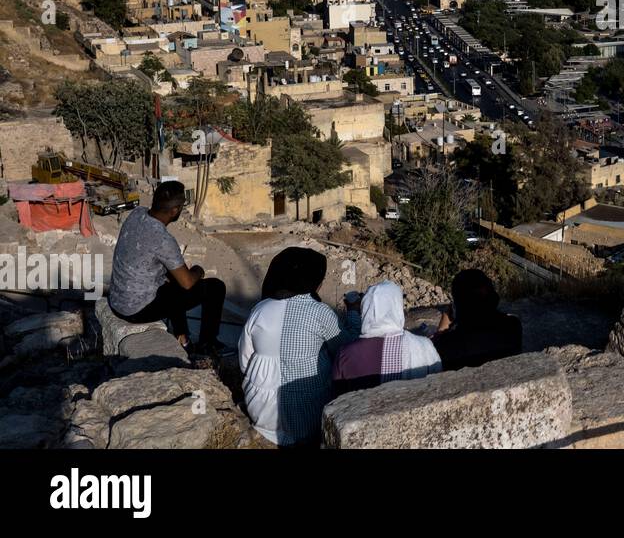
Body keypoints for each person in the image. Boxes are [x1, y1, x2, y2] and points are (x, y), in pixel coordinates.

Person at [239, 247, 361, 447]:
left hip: (261, 414)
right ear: (312, 282)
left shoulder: (259, 310)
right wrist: (354, 312)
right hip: (308, 420)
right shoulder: (320, 312)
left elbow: (245, 362)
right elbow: (347, 349)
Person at [109, 181, 227, 358]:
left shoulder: (136, 214)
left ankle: (182, 337)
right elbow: (187, 282)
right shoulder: (163, 240)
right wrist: (198, 270)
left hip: (117, 299)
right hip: (135, 309)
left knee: (172, 283)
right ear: (175, 211)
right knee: (214, 287)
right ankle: (208, 344)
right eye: (180, 207)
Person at [332, 281, 441, 396]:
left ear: (365, 308)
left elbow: (336, 400)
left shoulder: (345, 354)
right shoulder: (424, 347)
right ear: (397, 306)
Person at [432, 269, 522, 371]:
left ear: (459, 307)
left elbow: (436, 351)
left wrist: (442, 331)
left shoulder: (449, 344)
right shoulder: (513, 327)